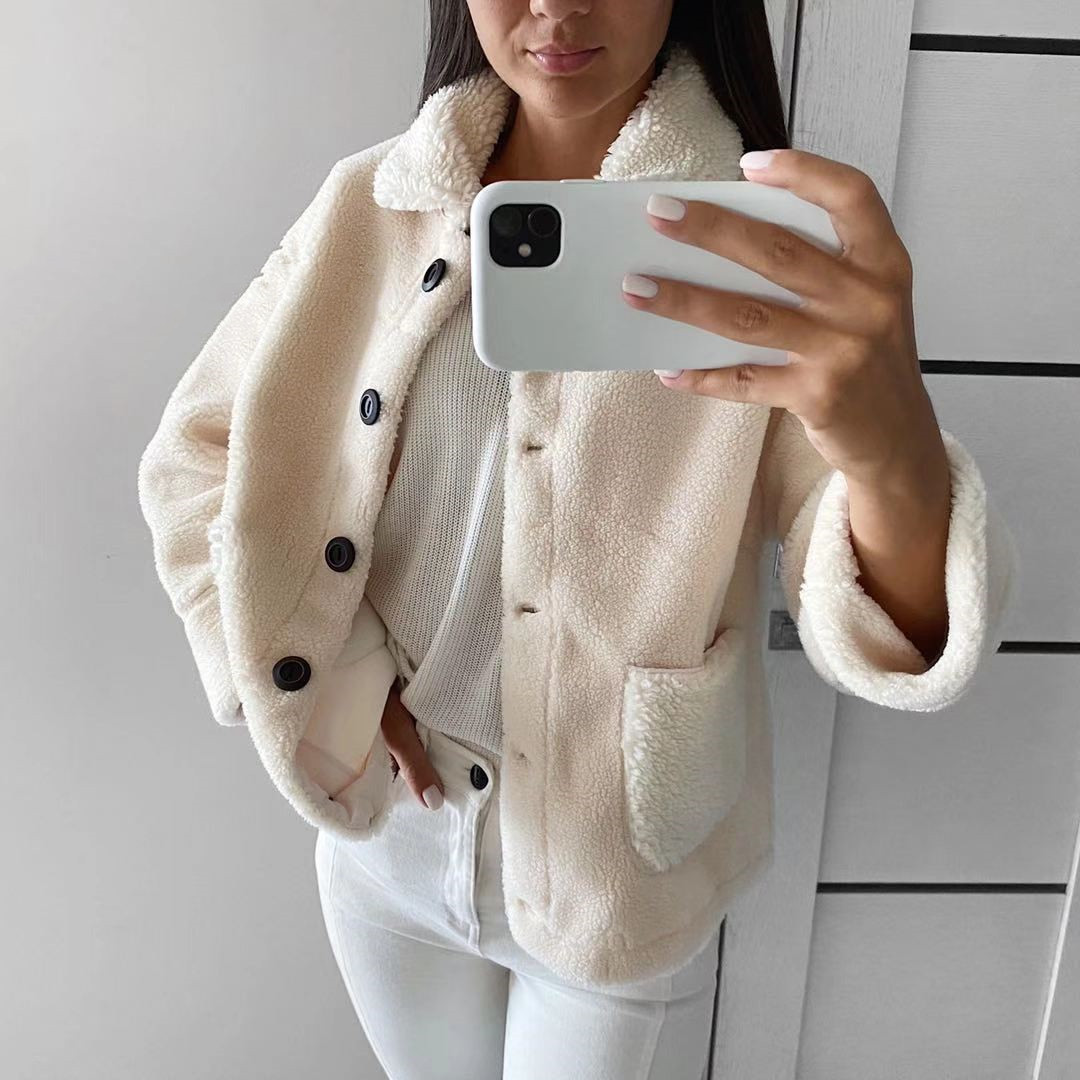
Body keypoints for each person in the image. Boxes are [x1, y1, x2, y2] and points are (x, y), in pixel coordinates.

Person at [137, 1, 1017, 1077]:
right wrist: (349, 674)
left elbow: (876, 609)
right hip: (388, 841)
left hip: (616, 872)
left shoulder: (757, 251)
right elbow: (193, 459)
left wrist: (892, 454)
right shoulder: (371, 206)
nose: (558, 7)